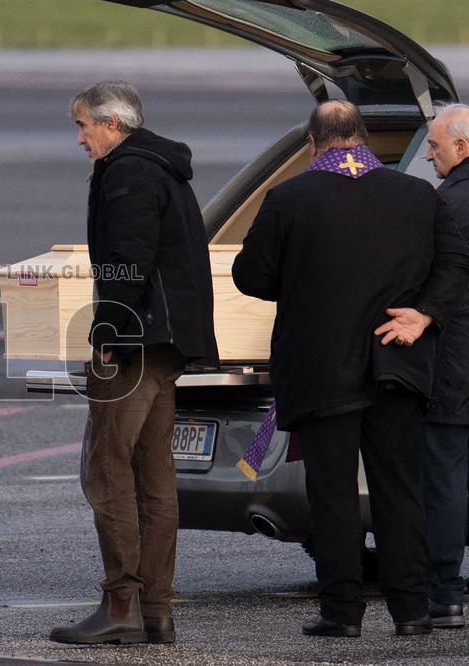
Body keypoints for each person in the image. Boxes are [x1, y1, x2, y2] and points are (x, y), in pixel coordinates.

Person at [232, 100, 469, 637]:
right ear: (361, 137)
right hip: (399, 364)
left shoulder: (289, 199)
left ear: (314, 144)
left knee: (333, 494)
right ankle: (411, 611)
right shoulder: (416, 196)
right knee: (399, 491)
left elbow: (251, 276)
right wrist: (424, 315)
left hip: (322, 369)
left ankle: (342, 612)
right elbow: (456, 263)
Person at [49, 81, 219, 646]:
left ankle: (121, 602)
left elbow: (128, 261)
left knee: (105, 470)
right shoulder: (161, 167)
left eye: (84, 126)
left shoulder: (128, 171)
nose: (80, 138)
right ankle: (157, 610)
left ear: (112, 124)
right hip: (167, 343)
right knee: (153, 477)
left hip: (138, 341)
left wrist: (107, 332)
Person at [422, 102, 469, 629]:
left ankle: (447, 593)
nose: (429, 154)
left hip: (452, 362)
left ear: (463, 148)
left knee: (444, 483)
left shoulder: (446, 205)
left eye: (435, 146)